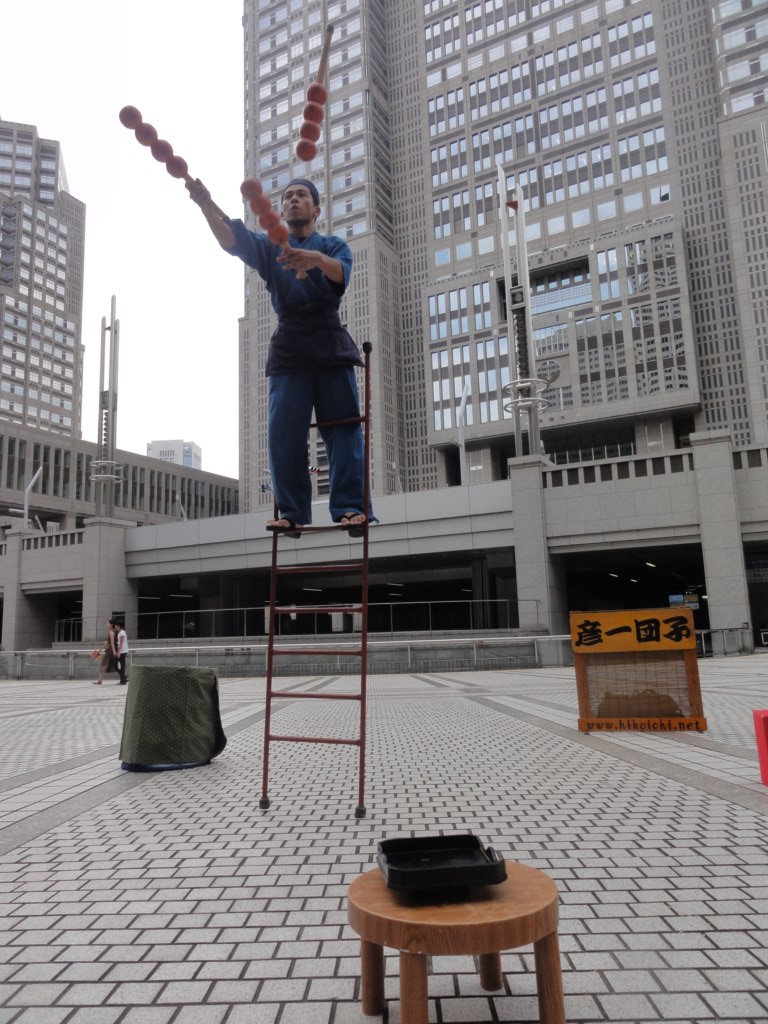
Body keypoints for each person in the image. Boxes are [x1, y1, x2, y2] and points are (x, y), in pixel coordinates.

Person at [187, 176, 372, 538]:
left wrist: (314, 259)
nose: (293, 199)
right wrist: (206, 205)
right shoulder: (270, 246)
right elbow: (233, 240)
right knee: (283, 432)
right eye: (287, 196)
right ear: (281, 210)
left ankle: (350, 506)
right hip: (290, 344)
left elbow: (341, 274)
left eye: (301, 195)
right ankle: (292, 510)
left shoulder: (332, 246)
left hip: (329, 339)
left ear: (316, 210)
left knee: (344, 427)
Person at [92, 618, 118, 685]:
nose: (107, 624)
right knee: (113, 664)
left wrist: (114, 651)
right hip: (112, 650)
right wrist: (100, 649)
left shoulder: (111, 632)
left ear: (111, 624)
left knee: (104, 664)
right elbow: (108, 642)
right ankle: (100, 680)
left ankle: (99, 680)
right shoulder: (115, 631)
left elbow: (111, 643)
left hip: (110, 651)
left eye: (108, 623)